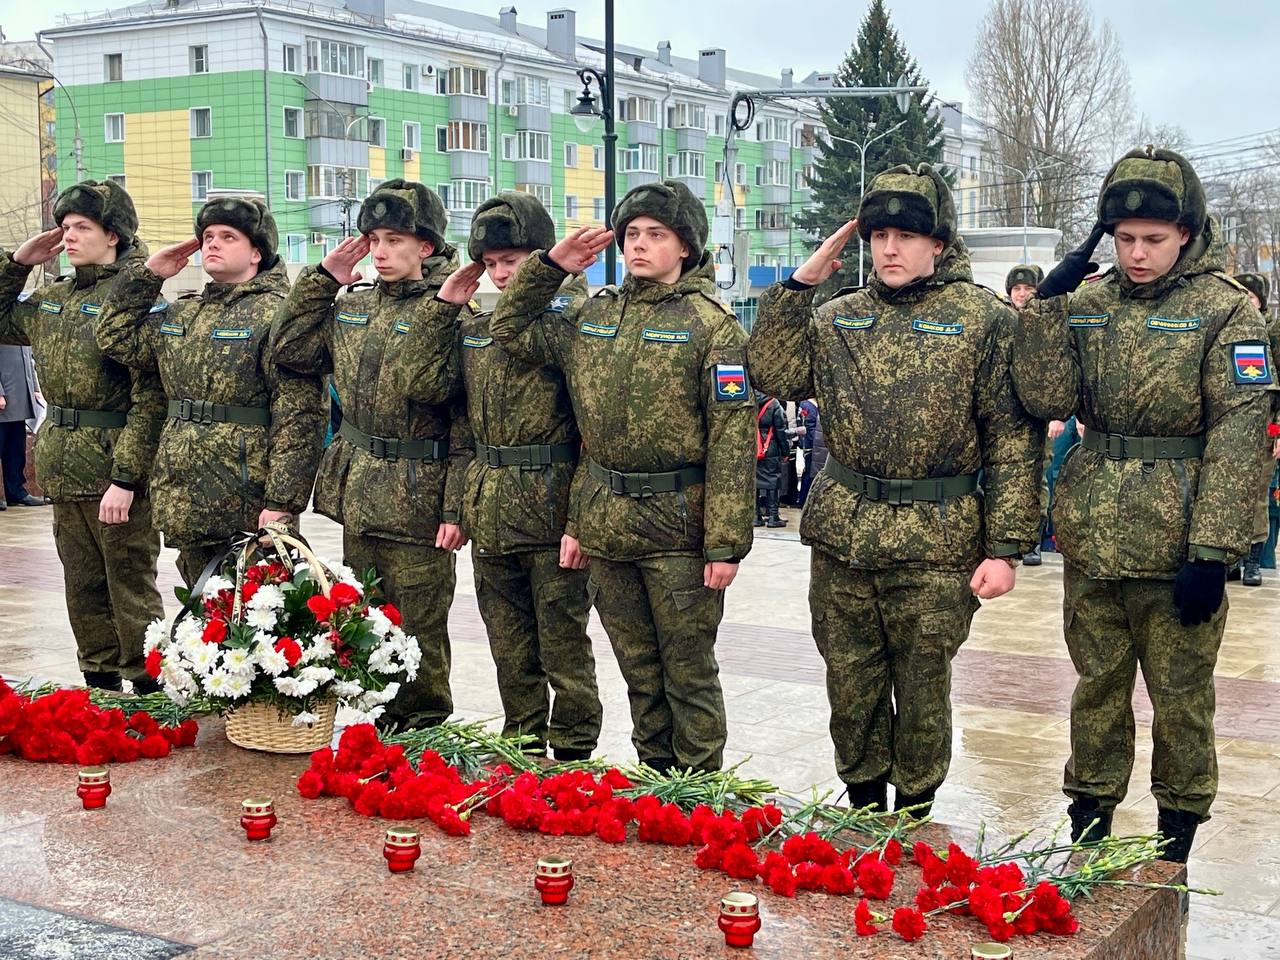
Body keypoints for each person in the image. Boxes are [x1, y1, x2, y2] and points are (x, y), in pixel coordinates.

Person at [749, 163, 1043, 815]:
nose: (889, 248)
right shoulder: (836, 318)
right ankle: (862, 803)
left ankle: (913, 811)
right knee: (850, 683)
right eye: (878, 234)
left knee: (920, 686)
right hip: (845, 532)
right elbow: (771, 371)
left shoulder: (985, 319)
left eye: (906, 235)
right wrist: (800, 285)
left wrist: (1007, 548)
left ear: (937, 244)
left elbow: (1011, 438)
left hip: (938, 539)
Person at [1012, 147, 1272, 862]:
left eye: (1153, 240)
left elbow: (1242, 433)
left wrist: (1213, 551)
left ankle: (1174, 844)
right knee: (1095, 690)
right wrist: (1047, 308)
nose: (1137, 254)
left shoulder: (1225, 312)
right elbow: (1046, 399)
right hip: (1096, 532)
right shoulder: (1089, 304)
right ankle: (1089, 824)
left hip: (1181, 539)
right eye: (1124, 240)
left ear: (1185, 233)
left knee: (1182, 700)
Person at [490, 180, 756, 773]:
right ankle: (657, 778)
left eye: (655, 235)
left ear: (685, 246)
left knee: (686, 668)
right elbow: (509, 328)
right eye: (632, 234)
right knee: (638, 667)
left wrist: (726, 543)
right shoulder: (596, 314)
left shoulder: (714, 326)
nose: (639, 245)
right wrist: (551, 267)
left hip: (680, 528)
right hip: (609, 520)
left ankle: (698, 786)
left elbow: (733, 442)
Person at [271, 179, 471, 731]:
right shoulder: (353, 305)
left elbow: (463, 422)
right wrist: (321, 282)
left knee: (419, 627)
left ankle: (426, 730)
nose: (379, 251)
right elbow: (289, 350)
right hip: (360, 489)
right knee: (365, 620)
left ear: (426, 247)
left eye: (395, 240)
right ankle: (375, 725)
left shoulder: (452, 310)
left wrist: (455, 506)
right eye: (373, 239)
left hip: (419, 491)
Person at [437, 191, 602, 760]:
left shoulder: (580, 317)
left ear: (547, 256)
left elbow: (594, 435)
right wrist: (458, 507)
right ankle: (523, 745)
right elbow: (458, 422)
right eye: (492, 263)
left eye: (515, 261)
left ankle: (574, 751)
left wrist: (581, 519)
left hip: (553, 505)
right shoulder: (477, 325)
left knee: (563, 644)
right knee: (509, 644)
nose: (502, 273)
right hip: (492, 507)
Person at [97, 196, 324, 588]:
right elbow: (115, 336)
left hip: (246, 501)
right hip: (186, 496)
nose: (212, 244)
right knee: (202, 618)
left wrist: (281, 504)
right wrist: (149, 276)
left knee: (253, 621)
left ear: (257, 252)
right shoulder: (184, 312)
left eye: (228, 236)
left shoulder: (278, 316)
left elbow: (299, 416)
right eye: (207, 236)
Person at [0, 180, 166, 691]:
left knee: (130, 584)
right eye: (65, 227)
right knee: (82, 583)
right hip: (63, 462)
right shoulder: (53, 299)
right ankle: (99, 681)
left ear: (112, 234)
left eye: (82, 228)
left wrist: (127, 476)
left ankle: (149, 687)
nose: (68, 237)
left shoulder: (137, 299)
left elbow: (151, 399)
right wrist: (18, 263)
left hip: (114, 464)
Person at [1233, 271, 1276, 586]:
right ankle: (1229, 560)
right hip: (1227, 425)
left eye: (1250, 297)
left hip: (1263, 426)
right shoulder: (1225, 328)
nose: (1244, 302)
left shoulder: (1272, 333)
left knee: (1257, 495)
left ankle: (1252, 561)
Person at [0, 345, 44, 507]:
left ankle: (16, 491)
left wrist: (34, 388)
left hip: (18, 397)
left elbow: (29, 360)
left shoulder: (19, 328)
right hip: (4, 395)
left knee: (15, 450)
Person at [754, 390, 790, 527]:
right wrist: (785, 451)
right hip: (771, 446)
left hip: (754, 446)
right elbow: (781, 430)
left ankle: (756, 516)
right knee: (773, 480)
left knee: (755, 481)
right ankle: (773, 516)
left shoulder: (750, 401)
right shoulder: (774, 404)